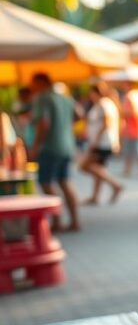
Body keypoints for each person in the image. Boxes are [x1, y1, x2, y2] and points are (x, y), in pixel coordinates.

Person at [28, 72, 81, 231]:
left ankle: (57, 220)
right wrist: (64, 126)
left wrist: (35, 146)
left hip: (50, 147)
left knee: (46, 182)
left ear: (40, 82)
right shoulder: (65, 97)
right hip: (67, 146)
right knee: (64, 181)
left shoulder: (42, 98)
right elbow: (79, 115)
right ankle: (74, 221)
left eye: (33, 83)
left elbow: (43, 124)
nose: (31, 86)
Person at [80, 84, 124, 204]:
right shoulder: (103, 104)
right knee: (98, 168)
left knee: (84, 165)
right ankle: (95, 196)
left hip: (102, 143)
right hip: (103, 142)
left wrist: (95, 140)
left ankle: (115, 184)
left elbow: (106, 122)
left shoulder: (104, 104)